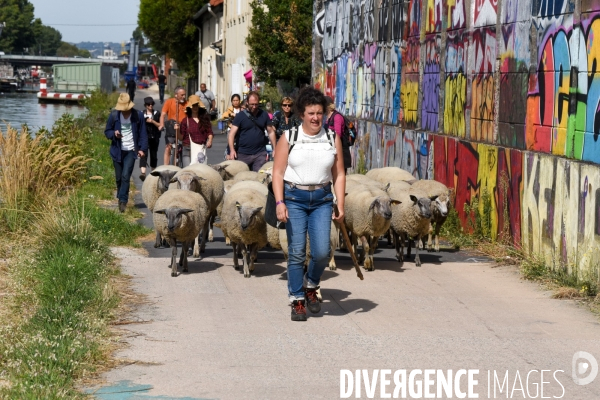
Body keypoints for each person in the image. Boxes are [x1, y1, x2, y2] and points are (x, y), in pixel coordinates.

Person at [271, 87, 346, 321]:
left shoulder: (332, 138)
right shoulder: (290, 137)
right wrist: (279, 202)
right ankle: (297, 300)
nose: (316, 118)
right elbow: (278, 172)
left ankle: (311, 284)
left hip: (323, 199)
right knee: (296, 252)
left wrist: (340, 203)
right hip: (295, 198)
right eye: (311, 113)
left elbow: (340, 173)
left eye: (319, 113)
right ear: (301, 114)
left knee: (323, 251)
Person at [104, 93, 148, 213]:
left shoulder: (138, 115)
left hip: (131, 150)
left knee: (125, 176)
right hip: (117, 150)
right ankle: (120, 195)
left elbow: (143, 134)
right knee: (118, 178)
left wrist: (142, 149)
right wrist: (114, 134)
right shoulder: (114, 115)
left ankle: (123, 201)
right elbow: (107, 131)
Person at [226, 91, 276, 171]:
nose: (254, 107)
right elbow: (231, 134)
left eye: (256, 104)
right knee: (243, 178)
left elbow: (271, 132)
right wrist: (231, 150)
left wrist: (274, 149)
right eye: (252, 104)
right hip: (243, 154)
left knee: (259, 177)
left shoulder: (264, 115)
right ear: (247, 103)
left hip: (260, 153)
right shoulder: (240, 116)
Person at [180, 94, 213, 166]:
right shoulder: (185, 121)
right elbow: (181, 137)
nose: (195, 107)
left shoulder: (205, 119)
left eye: (196, 105)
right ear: (190, 107)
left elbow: (209, 132)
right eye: (193, 105)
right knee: (188, 171)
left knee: (201, 173)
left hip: (200, 149)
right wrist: (176, 130)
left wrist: (210, 140)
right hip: (188, 149)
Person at [159, 86, 187, 165]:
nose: (184, 97)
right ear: (176, 95)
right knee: (168, 147)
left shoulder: (187, 103)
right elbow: (163, 114)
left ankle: (178, 165)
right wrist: (161, 124)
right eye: (182, 95)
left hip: (182, 127)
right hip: (171, 127)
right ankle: (165, 166)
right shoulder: (169, 102)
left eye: (184, 95)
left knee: (182, 147)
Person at [325, 97, 352, 172]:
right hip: (331, 149)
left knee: (339, 174)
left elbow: (338, 134)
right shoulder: (327, 117)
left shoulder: (337, 117)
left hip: (341, 150)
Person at [139, 96, 161, 181]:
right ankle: (143, 173)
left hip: (154, 137)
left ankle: (153, 173)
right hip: (144, 137)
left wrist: (152, 121)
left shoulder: (157, 113)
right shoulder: (141, 113)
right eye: (148, 104)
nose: (150, 106)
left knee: (153, 155)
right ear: (145, 105)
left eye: (152, 104)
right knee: (143, 154)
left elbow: (160, 125)